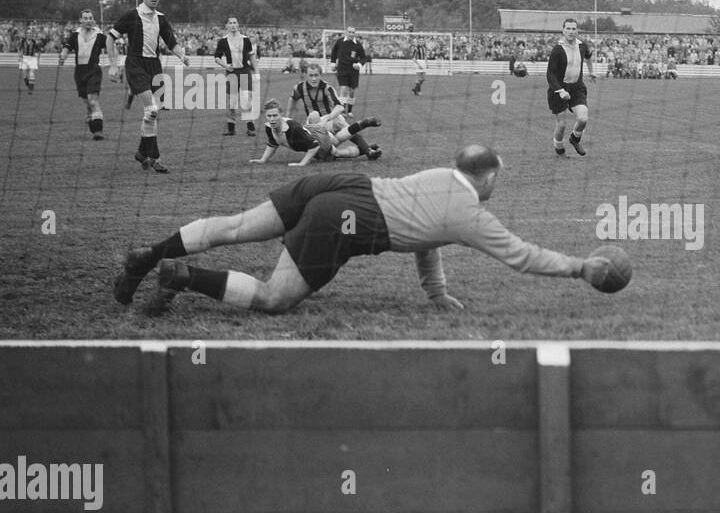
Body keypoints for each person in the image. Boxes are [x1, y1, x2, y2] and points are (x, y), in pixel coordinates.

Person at [113, 144, 614, 315]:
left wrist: (435, 291)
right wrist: (581, 268)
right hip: (349, 222)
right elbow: (521, 256)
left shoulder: (440, 178)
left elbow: (428, 237)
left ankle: (148, 254)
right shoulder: (470, 215)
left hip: (341, 184)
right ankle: (181, 276)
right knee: (274, 299)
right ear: (486, 178)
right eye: (497, 177)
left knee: (236, 225)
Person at [108, 0, 190, 174]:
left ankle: (141, 153)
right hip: (135, 64)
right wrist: (113, 64)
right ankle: (155, 158)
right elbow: (110, 37)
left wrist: (183, 55)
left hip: (154, 65)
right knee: (152, 109)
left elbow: (172, 42)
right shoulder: (131, 16)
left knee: (153, 113)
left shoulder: (161, 18)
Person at [251, 98, 380, 165]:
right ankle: (368, 146)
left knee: (337, 153)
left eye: (275, 115)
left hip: (319, 139)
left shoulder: (292, 127)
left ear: (281, 114)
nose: (272, 119)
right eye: (269, 116)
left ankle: (366, 140)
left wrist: (302, 163)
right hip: (314, 131)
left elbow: (314, 145)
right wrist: (263, 160)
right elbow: (273, 144)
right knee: (338, 139)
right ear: (266, 117)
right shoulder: (269, 126)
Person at [546, 18, 594, 157]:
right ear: (563, 30)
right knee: (561, 125)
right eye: (568, 28)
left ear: (577, 30)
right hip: (559, 90)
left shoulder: (582, 45)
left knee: (583, 119)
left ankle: (574, 138)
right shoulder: (558, 50)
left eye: (574, 29)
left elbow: (588, 56)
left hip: (577, 88)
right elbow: (550, 74)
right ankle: (559, 149)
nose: (571, 31)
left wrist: (591, 72)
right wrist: (560, 91)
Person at [58, 9, 109, 139]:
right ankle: (91, 117)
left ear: (93, 20)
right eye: (85, 18)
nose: (88, 20)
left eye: (90, 18)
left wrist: (116, 64)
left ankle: (98, 131)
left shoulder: (99, 35)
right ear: (80, 20)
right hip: (79, 73)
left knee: (93, 100)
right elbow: (67, 48)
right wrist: (62, 57)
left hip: (94, 71)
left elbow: (111, 46)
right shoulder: (74, 35)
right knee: (87, 102)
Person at [213, 15, 258, 136]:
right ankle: (231, 129)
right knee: (232, 102)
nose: (233, 25)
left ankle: (251, 127)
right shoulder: (223, 41)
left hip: (244, 71)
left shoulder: (246, 40)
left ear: (238, 25)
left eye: (235, 23)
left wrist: (257, 72)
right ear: (227, 26)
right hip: (232, 73)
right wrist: (225, 66)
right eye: (230, 23)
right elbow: (216, 57)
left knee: (247, 100)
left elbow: (252, 56)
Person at [328, 26, 367, 116]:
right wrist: (333, 64)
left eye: (353, 32)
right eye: (349, 32)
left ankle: (349, 111)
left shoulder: (358, 44)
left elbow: (363, 58)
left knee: (352, 91)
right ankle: (342, 111)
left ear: (355, 34)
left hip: (353, 71)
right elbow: (334, 53)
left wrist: (358, 65)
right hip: (342, 69)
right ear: (346, 32)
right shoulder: (340, 42)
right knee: (343, 89)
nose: (351, 34)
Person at [17, 26, 40, 93]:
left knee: (32, 73)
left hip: (32, 58)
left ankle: (30, 88)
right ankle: (28, 84)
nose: (29, 34)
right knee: (24, 74)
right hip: (24, 58)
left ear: (32, 35)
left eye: (30, 33)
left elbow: (38, 51)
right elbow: (19, 49)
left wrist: (37, 59)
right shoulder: (23, 41)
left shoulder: (34, 41)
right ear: (26, 34)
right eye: (28, 33)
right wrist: (20, 56)